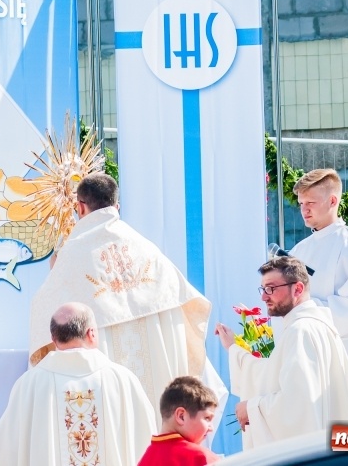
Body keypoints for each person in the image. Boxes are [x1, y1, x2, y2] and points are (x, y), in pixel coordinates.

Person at [29, 173, 226, 425]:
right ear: (116, 206)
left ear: (79, 207)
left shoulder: (71, 256)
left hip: (108, 390)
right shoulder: (147, 249)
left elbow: (43, 318)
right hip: (159, 392)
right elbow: (187, 306)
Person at [215, 256, 348, 449]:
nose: (263, 296)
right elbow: (272, 373)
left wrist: (251, 408)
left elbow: (298, 407)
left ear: (298, 289)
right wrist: (234, 349)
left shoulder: (300, 331)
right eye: (263, 289)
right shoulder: (315, 326)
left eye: (271, 288)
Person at [0, 302, 155, 466]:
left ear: (53, 339)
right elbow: (147, 436)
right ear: (91, 333)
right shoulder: (122, 380)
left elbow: (3, 446)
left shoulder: (29, 384)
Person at [289, 168, 348, 420]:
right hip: (307, 358)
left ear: (333, 201)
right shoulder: (299, 250)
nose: (304, 210)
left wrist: (308, 310)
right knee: (315, 437)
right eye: (301, 204)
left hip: (343, 355)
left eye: (311, 203)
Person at [137, 376, 220, 466]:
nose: (211, 428)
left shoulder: (146, 459)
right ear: (181, 416)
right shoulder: (201, 458)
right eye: (207, 418)